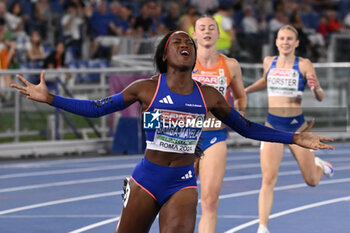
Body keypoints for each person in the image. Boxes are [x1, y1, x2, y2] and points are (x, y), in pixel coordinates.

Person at [11, 31, 334, 233]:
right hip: (146, 179)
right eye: (178, 42)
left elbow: (246, 127)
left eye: (189, 43)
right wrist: (50, 97)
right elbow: (97, 108)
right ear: (165, 54)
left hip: (181, 183)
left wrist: (293, 138)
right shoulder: (145, 89)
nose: (186, 45)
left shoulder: (208, 95)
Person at [244, 25, 334, 233]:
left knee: (311, 180)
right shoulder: (269, 62)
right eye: (282, 38)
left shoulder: (304, 64)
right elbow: (265, 82)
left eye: (289, 39)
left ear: (296, 43)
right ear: (276, 42)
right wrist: (245, 90)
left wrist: (315, 88)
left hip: (297, 129)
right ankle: (263, 226)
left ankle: (319, 166)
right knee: (268, 178)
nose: (285, 42)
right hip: (272, 127)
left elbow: (319, 96)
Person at [192, 15, 246, 233]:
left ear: (217, 33)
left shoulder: (230, 65)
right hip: (184, 137)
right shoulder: (183, 63)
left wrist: (240, 115)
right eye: (201, 28)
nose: (206, 31)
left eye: (211, 28)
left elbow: (241, 97)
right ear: (194, 34)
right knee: (175, 198)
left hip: (214, 136)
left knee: (209, 202)